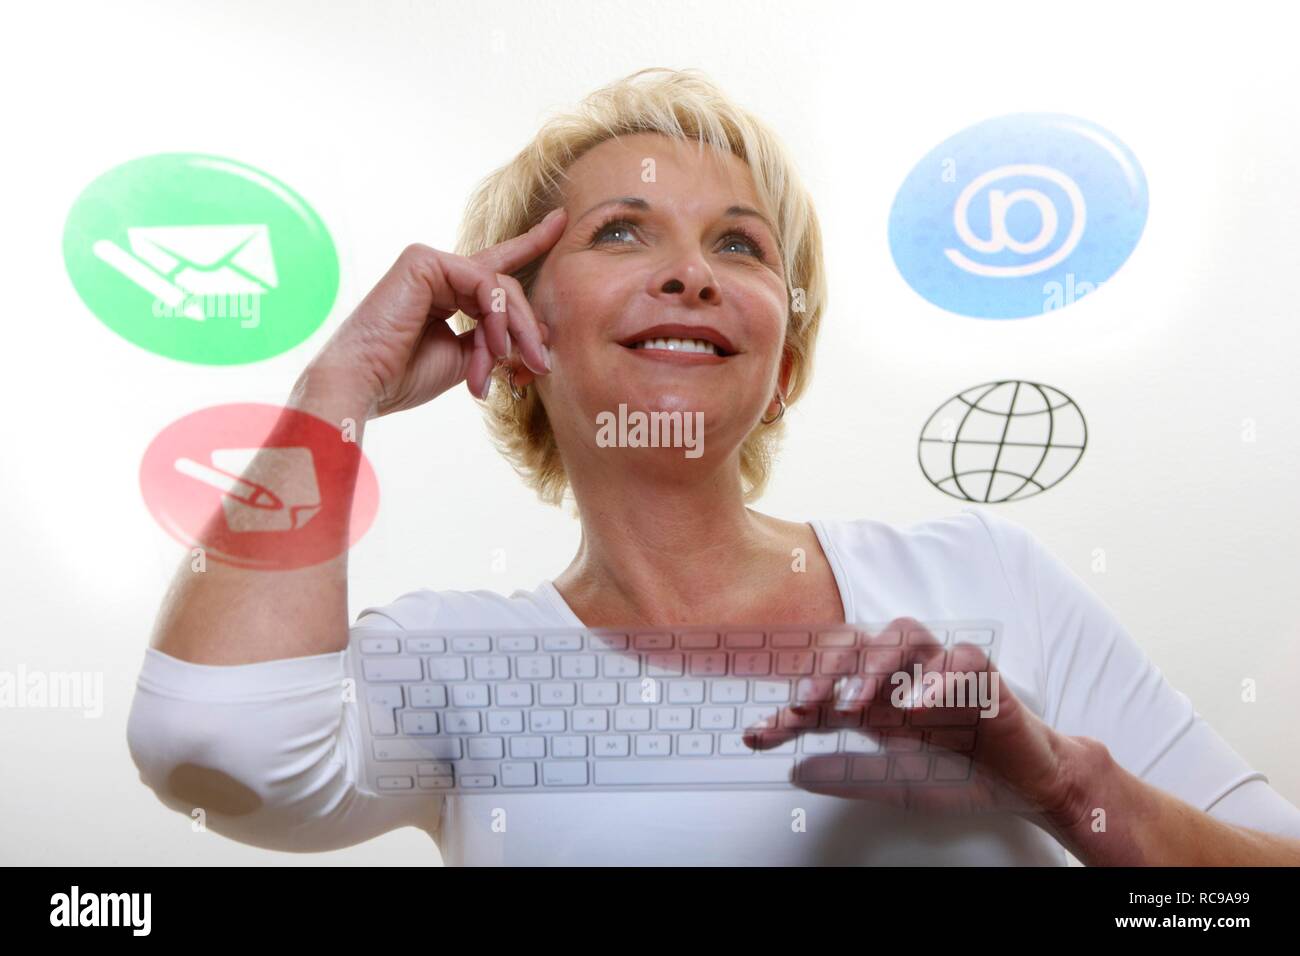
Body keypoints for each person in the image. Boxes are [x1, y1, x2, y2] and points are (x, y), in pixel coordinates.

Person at [126, 67, 1300, 865]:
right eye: (621, 231)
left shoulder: (988, 575)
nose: (689, 272)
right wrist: (341, 384)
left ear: (781, 362)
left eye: (737, 243)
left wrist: (1053, 778)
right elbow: (212, 740)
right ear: (515, 335)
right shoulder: (454, 660)